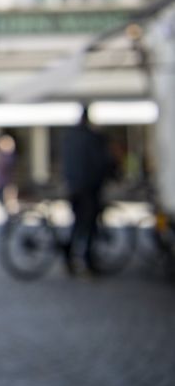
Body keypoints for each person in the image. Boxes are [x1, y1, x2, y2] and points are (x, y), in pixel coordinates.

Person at [62, 108, 114, 274]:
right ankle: (87, 260)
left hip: (73, 186)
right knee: (89, 225)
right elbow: (100, 162)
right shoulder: (92, 138)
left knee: (77, 223)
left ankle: (70, 257)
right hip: (89, 187)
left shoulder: (70, 137)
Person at [0, 134, 17, 214]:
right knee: (1, 200)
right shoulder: (0, 156)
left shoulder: (9, 157)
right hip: (1, 181)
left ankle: (9, 215)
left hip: (7, 182)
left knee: (8, 201)